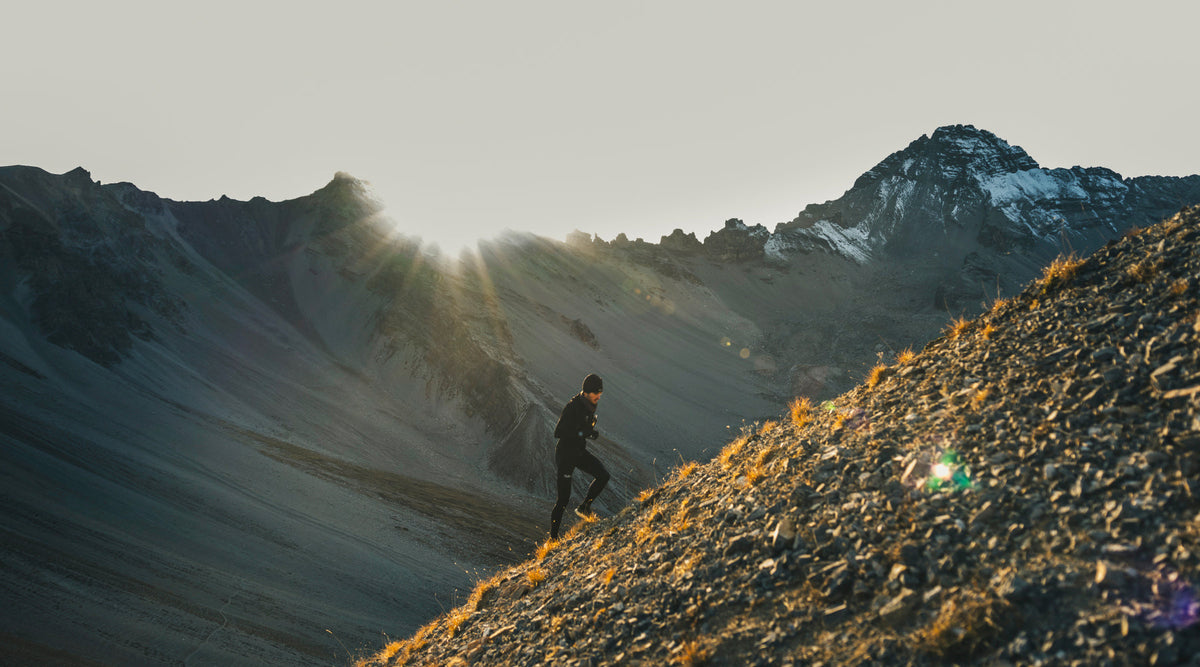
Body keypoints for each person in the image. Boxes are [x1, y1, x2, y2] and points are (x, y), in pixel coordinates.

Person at [549, 373, 610, 539]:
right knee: (563, 500)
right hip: (565, 455)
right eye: (597, 392)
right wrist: (584, 432)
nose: (599, 396)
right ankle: (553, 539)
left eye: (601, 392)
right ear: (587, 392)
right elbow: (558, 432)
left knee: (603, 475)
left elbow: (582, 429)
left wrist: (589, 432)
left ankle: (585, 507)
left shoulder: (589, 405)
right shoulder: (573, 406)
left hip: (578, 452)